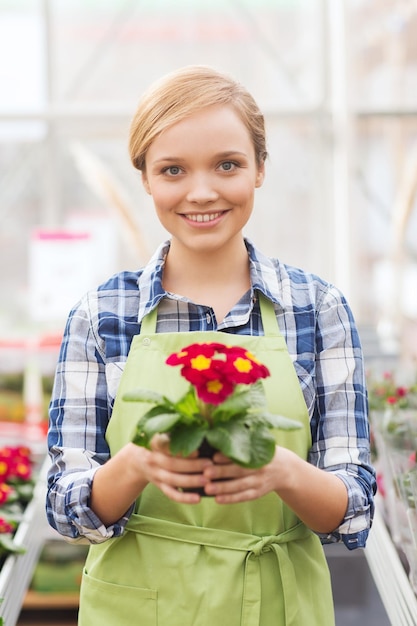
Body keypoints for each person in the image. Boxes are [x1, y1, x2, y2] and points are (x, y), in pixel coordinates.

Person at [46, 65, 376, 626]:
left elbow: (352, 511)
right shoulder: (101, 315)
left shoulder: (317, 308)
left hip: (279, 603)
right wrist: (138, 463)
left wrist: (280, 470)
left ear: (261, 169)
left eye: (227, 164)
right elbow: (65, 506)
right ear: (146, 178)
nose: (202, 191)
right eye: (173, 169)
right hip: (138, 604)